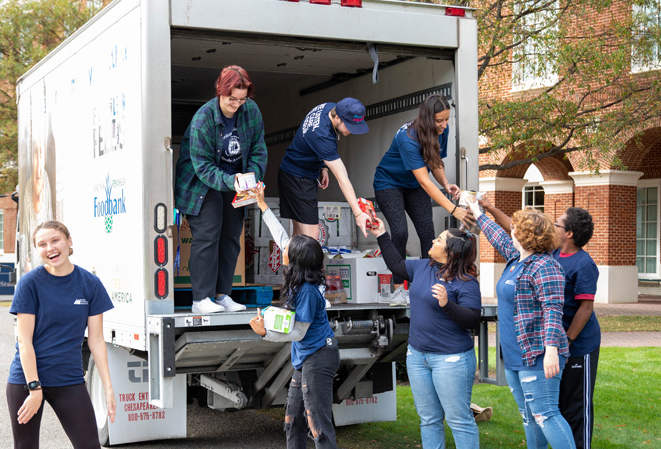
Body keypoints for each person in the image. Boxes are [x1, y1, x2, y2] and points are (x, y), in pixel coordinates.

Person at [466, 199, 595, 449]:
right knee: (529, 415)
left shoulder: (545, 266)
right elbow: (495, 233)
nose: (510, 231)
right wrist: (476, 209)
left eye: (516, 228)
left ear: (525, 235)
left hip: (539, 354)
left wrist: (552, 349)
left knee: (546, 414)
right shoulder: (516, 259)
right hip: (514, 355)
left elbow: (554, 309)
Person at [6, 221, 126, 449]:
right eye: (42, 244)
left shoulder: (89, 283)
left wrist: (109, 389)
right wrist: (34, 389)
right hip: (26, 381)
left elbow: (97, 341)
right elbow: (24, 341)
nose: (50, 249)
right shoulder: (30, 284)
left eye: (55, 241)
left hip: (69, 381)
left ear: (69, 241)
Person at [249, 185, 345, 449]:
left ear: (297, 261)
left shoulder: (307, 292)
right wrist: (262, 205)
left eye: (289, 250)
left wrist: (265, 334)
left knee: (319, 427)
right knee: (292, 424)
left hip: (318, 357)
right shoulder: (301, 276)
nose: (283, 250)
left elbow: (298, 332)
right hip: (305, 358)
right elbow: (280, 237)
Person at [369, 218, 482, 449]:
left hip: (451, 360)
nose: (432, 241)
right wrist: (381, 233)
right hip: (419, 357)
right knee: (429, 418)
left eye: (439, 240)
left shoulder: (465, 282)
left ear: (452, 252)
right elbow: (396, 265)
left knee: (458, 418)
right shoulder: (423, 267)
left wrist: (447, 304)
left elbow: (472, 320)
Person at [175, 65, 268, 314]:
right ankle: (201, 300)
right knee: (208, 235)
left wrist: (253, 179)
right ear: (220, 91)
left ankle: (223, 295)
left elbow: (258, 148)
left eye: (242, 99)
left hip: (235, 180)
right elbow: (203, 167)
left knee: (231, 236)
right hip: (199, 182)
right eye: (231, 99)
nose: (236, 104)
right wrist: (233, 181)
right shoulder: (202, 119)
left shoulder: (251, 111)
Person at [373, 94, 475, 305]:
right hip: (388, 183)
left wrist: (446, 184)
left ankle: (428, 284)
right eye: (440, 121)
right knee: (400, 231)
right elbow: (425, 182)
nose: (444, 125)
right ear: (428, 119)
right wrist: (453, 209)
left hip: (413, 185)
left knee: (428, 232)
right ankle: (398, 289)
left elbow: (435, 162)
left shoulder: (440, 132)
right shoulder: (407, 137)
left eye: (447, 119)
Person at [277, 97, 372, 240]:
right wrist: (358, 214)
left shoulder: (330, 107)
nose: (352, 131)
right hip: (297, 178)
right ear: (338, 118)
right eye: (350, 126)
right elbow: (342, 178)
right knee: (311, 236)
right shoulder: (322, 137)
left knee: (299, 237)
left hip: (295, 172)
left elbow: (312, 144)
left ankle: (289, 262)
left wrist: (323, 167)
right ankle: (294, 262)